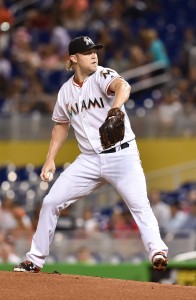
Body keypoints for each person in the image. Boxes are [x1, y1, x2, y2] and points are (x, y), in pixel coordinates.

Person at [14, 36, 168, 273]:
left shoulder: (102, 75)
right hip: (88, 159)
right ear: (74, 58)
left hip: (121, 155)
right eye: (87, 52)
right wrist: (49, 159)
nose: (94, 55)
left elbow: (123, 86)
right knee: (51, 201)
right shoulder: (65, 92)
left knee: (139, 204)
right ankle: (34, 260)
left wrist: (115, 108)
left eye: (95, 50)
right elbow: (60, 126)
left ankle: (157, 251)